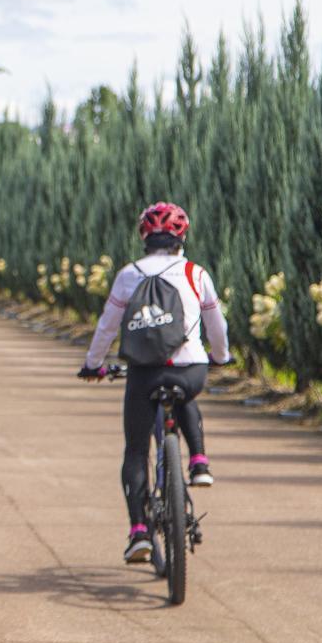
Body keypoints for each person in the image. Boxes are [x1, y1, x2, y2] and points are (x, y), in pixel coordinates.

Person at [78, 201, 231, 565]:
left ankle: (139, 533)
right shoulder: (196, 273)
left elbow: (107, 326)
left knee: (135, 449)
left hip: (144, 372)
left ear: (144, 236)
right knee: (185, 395)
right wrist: (221, 357)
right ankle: (198, 461)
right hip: (190, 370)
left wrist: (93, 365)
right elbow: (217, 326)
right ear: (182, 236)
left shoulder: (129, 274)